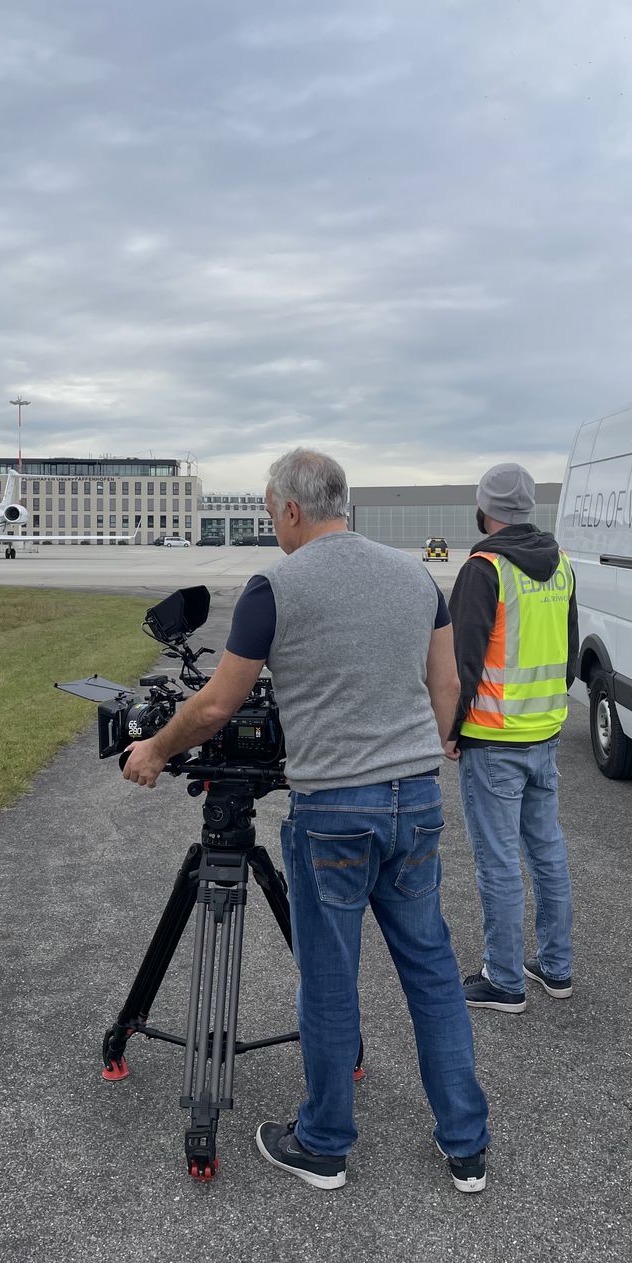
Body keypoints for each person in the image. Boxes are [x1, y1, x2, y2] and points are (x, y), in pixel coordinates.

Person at [122, 448, 490, 1194]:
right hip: (415, 798)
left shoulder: (275, 586)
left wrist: (157, 749)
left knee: (329, 981)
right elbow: (445, 680)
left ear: (291, 509)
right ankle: (466, 1145)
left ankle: (324, 1143)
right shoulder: (416, 575)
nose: (271, 525)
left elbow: (220, 703)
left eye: (269, 512)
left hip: (333, 811)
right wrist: (437, 740)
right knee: (432, 972)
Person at [447, 463, 578, 1014]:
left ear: (486, 509)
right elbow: (569, 657)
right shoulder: (562, 564)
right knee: (546, 851)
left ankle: (503, 979)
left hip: (493, 737)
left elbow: (461, 663)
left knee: (497, 860)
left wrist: (450, 730)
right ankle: (556, 966)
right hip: (544, 732)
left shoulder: (484, 569)